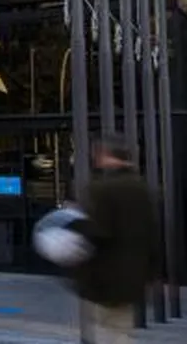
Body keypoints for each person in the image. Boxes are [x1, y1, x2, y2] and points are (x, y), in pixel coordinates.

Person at [72, 136, 157, 344]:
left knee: (106, 331)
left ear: (105, 155)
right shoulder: (141, 188)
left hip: (104, 279)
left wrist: (75, 221)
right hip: (132, 276)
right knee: (120, 330)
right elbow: (153, 233)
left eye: (97, 155)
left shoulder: (102, 190)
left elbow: (96, 234)